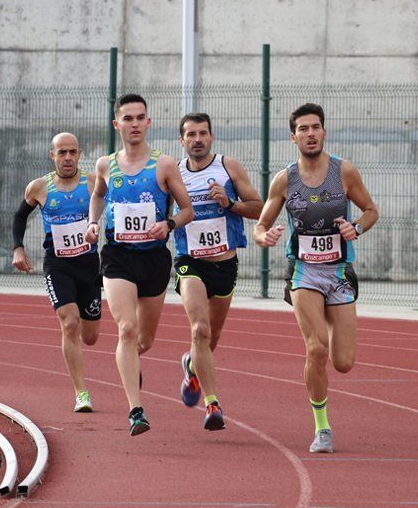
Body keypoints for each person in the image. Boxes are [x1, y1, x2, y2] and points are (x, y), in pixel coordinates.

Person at [253, 103, 379, 453]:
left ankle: (332, 324)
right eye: (303, 129)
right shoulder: (285, 179)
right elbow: (260, 226)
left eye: (316, 127)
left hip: (339, 272)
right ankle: (322, 427)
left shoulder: (345, 172)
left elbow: (371, 211)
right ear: (293, 136)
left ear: (324, 132)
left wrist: (356, 228)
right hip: (304, 272)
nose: (310, 134)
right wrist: (265, 237)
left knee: (344, 362)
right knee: (316, 347)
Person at [84, 94, 193, 436]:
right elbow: (99, 194)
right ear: (117, 124)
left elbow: (187, 210)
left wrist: (170, 224)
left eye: (139, 118)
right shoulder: (106, 165)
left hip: (154, 259)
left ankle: (133, 363)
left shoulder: (164, 165)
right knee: (126, 329)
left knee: (143, 341)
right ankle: (136, 410)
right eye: (127, 118)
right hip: (118, 256)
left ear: (148, 123)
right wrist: (92, 222)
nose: (133, 124)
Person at [173, 113, 263, 431]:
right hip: (190, 262)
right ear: (182, 140)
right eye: (190, 134)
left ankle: (192, 365)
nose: (197, 139)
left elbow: (259, 207)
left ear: (211, 137)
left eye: (202, 133)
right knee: (200, 330)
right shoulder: (174, 173)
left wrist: (230, 203)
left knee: (213, 336)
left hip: (225, 263)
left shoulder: (228, 167)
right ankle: (212, 404)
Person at [12, 132, 101, 412]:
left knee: (90, 336)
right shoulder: (39, 188)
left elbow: (113, 208)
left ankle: (81, 381)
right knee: (69, 322)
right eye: (61, 153)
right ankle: (81, 392)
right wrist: (18, 248)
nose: (67, 158)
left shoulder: (92, 184)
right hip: (58, 264)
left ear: (80, 154)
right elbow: (19, 216)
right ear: (52, 155)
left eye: (72, 152)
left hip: (88, 264)